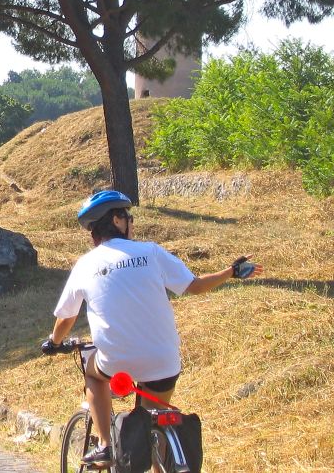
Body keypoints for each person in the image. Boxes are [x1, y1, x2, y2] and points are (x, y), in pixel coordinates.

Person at [41, 190, 262, 469]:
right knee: (152, 420)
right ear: (118, 220)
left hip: (116, 361)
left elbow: (65, 318)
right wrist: (230, 272)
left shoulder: (85, 265)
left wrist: (53, 342)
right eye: (129, 217)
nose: (131, 223)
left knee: (94, 376)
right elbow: (194, 286)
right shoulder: (151, 252)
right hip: (163, 360)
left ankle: (106, 446)